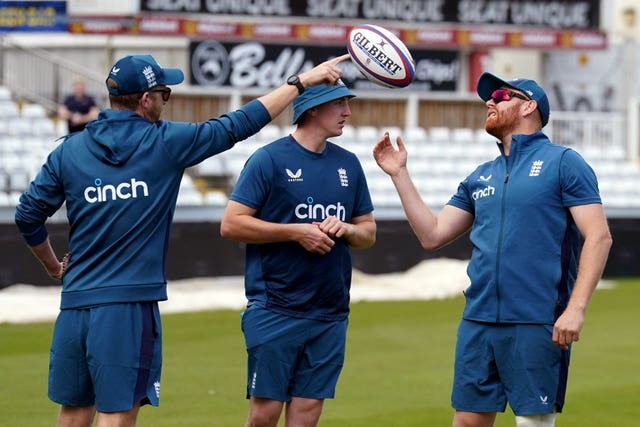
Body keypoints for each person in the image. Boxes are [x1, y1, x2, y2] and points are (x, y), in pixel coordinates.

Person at [14, 53, 350, 427]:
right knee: (117, 414)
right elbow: (237, 124)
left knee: (74, 414)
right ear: (146, 100)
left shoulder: (69, 150)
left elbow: (27, 215)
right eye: (164, 93)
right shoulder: (165, 142)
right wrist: (299, 83)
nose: (164, 100)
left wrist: (52, 265)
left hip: (74, 306)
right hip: (128, 305)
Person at [373, 72, 612, 427]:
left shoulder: (564, 162)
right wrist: (398, 174)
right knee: (468, 421)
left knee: (532, 422)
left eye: (501, 95)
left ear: (528, 106)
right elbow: (433, 235)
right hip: (478, 319)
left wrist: (575, 309)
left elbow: (599, 237)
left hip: (537, 318)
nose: (490, 101)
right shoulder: (479, 175)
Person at [220, 81, 377, 427]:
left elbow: (368, 232)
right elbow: (231, 225)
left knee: (307, 416)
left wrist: (348, 230)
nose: (347, 112)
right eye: (340, 104)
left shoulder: (349, 164)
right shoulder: (269, 160)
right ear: (313, 109)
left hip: (331, 312)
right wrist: (295, 232)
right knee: (264, 415)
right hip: (276, 308)